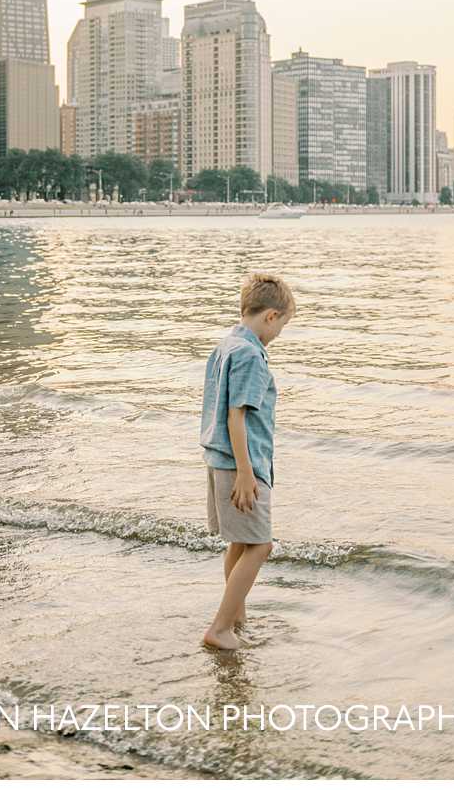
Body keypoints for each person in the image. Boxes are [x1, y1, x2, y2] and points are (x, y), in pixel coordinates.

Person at [200, 273, 295, 650]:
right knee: (260, 545)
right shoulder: (251, 355)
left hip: (219, 457)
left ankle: (235, 618)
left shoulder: (227, 344)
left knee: (240, 543)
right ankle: (220, 628)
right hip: (241, 462)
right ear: (271, 316)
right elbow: (236, 416)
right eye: (283, 325)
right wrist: (246, 473)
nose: (279, 334)